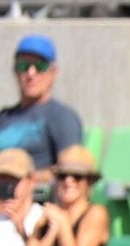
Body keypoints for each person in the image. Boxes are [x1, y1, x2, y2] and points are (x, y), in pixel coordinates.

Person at [0, 34, 82, 173]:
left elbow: (70, 172)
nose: (31, 74)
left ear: (53, 72)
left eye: (40, 66)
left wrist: (26, 179)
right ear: (15, 71)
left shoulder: (61, 117)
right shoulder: (4, 116)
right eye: (23, 66)